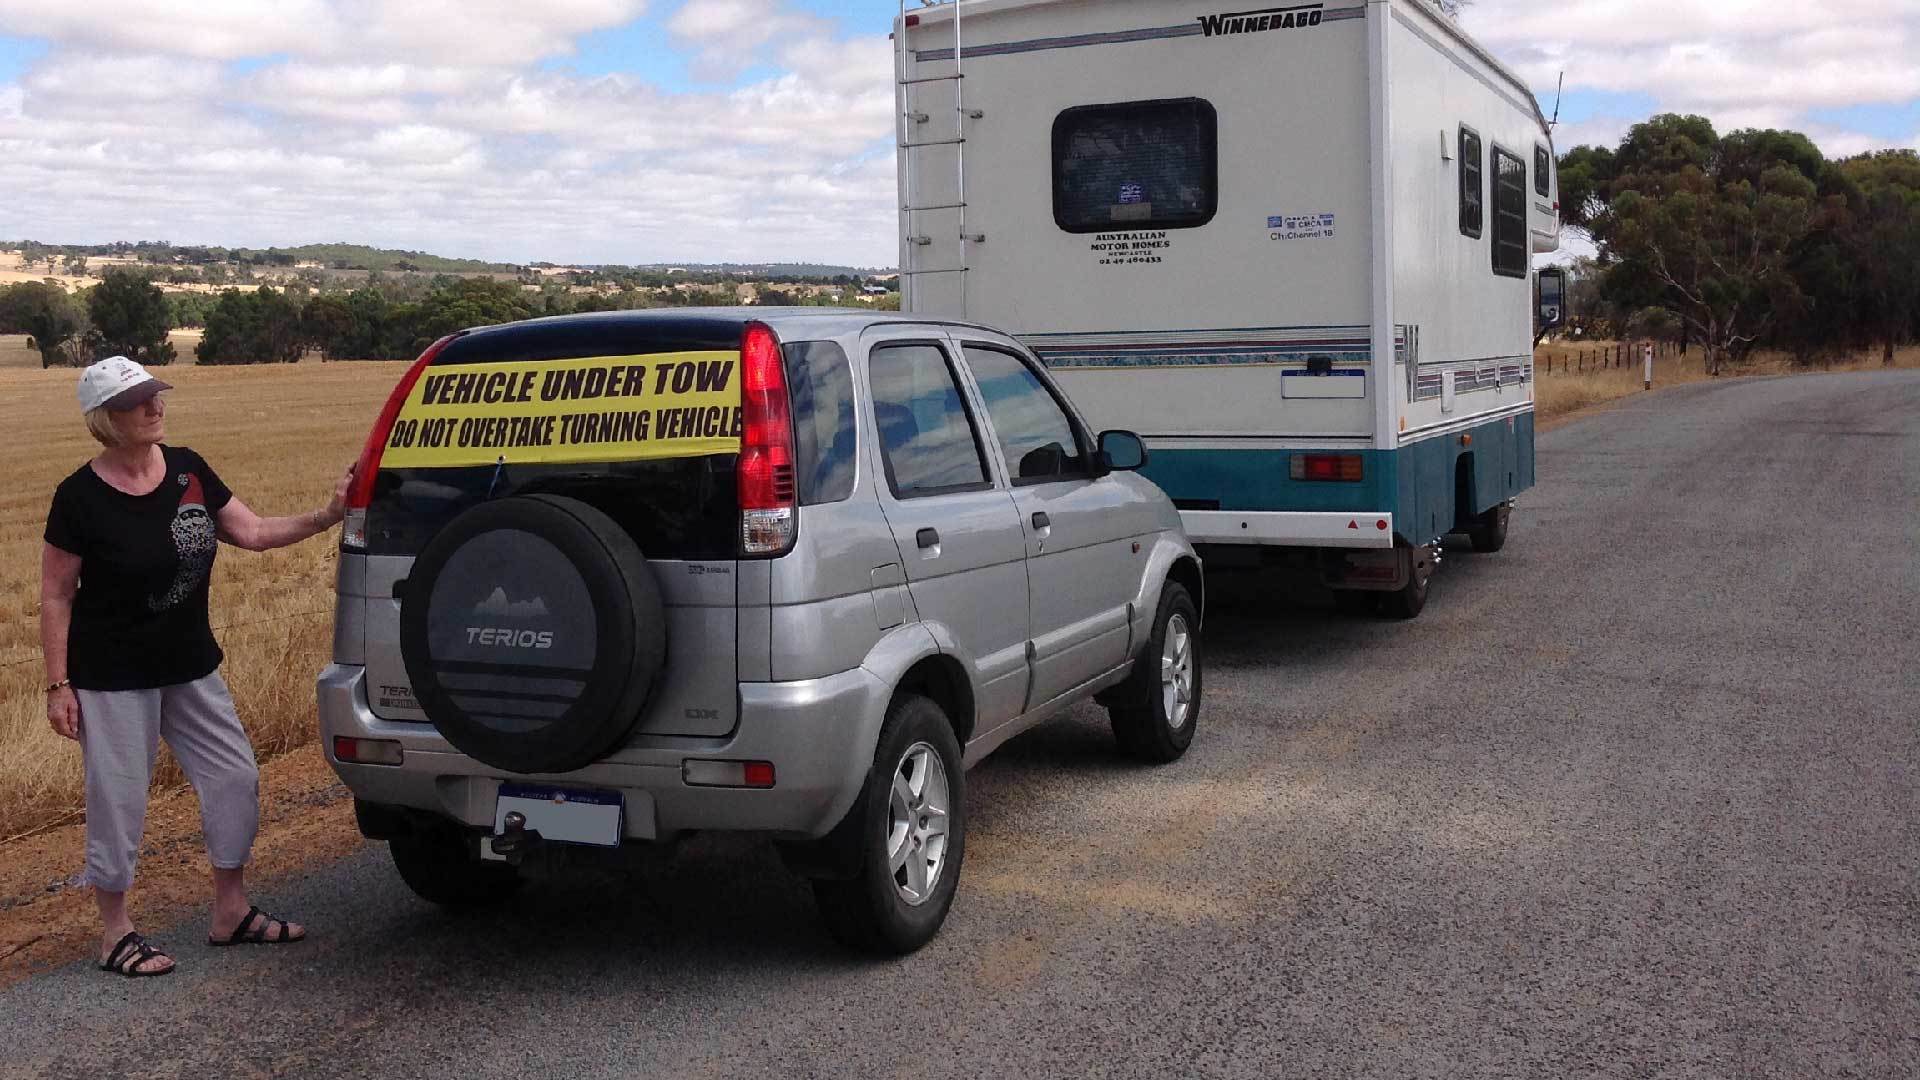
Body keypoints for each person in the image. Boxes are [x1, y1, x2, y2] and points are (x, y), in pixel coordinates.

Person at [39, 356, 352, 978]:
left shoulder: (187, 469)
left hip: (189, 665)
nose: (156, 407)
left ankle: (229, 911)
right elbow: (55, 595)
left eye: (157, 395)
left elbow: (255, 532)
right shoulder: (78, 497)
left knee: (235, 775)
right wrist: (58, 684)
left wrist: (328, 514)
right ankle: (114, 933)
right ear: (106, 420)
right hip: (112, 675)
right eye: (139, 401)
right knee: (119, 800)